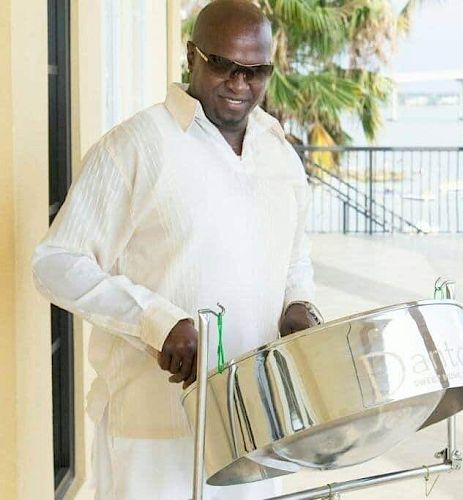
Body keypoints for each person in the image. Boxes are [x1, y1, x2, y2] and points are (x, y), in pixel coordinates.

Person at [32, 0, 320, 498]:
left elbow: (294, 260)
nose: (238, 82)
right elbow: (56, 263)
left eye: (255, 71)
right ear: (192, 56)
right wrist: (156, 320)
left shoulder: (279, 153)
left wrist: (299, 305)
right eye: (223, 64)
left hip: (256, 425)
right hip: (154, 431)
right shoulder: (134, 146)